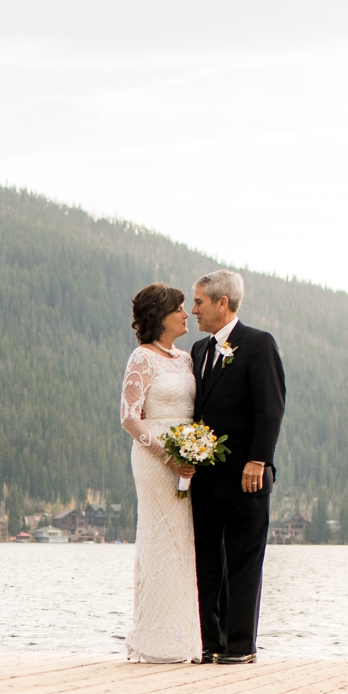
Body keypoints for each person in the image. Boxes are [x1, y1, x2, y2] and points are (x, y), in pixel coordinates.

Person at [187, 269, 284, 663]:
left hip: (247, 476)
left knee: (243, 562)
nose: (193, 310)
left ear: (222, 303)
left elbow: (271, 407)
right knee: (208, 560)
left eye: (199, 302)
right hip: (205, 479)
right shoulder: (198, 350)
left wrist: (258, 459)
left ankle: (241, 646)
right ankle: (212, 644)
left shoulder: (258, 344)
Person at [118, 283, 203, 662]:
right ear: (160, 316)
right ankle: (154, 639)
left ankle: (185, 637)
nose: (187, 314)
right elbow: (129, 417)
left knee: (183, 542)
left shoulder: (185, 360)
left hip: (189, 456)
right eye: (180, 308)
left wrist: (196, 450)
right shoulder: (142, 357)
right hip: (155, 460)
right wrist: (167, 455)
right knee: (159, 539)